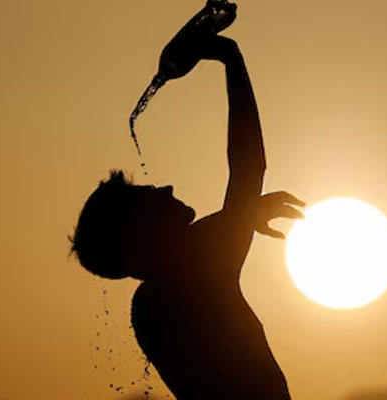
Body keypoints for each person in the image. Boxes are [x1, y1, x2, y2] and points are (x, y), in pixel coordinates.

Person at [70, 17, 302, 400]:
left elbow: (193, 246)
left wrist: (241, 213)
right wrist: (229, 56)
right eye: (151, 195)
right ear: (143, 231)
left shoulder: (154, 300)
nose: (167, 188)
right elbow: (248, 166)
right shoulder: (192, 276)